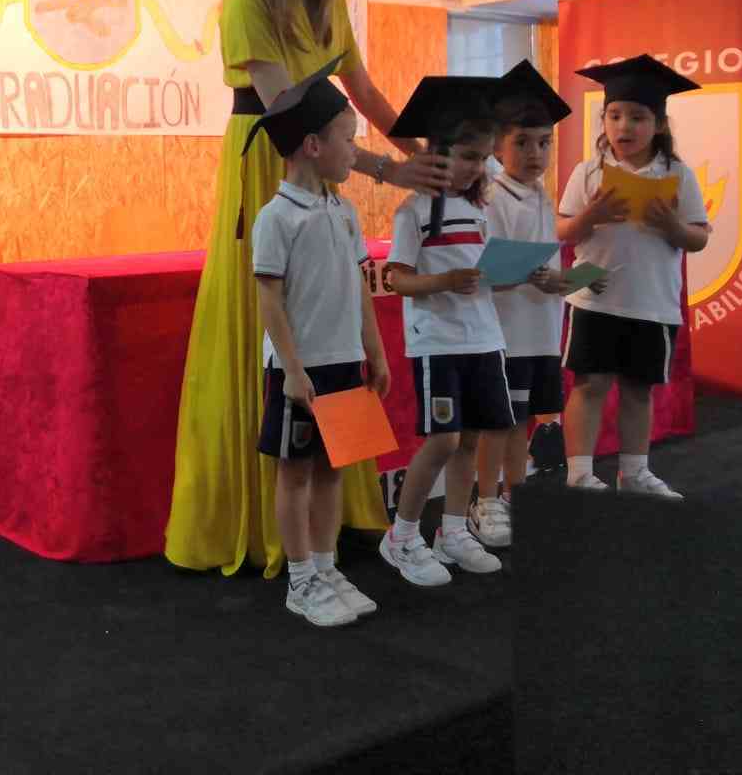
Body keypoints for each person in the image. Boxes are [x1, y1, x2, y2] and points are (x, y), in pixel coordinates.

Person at [164, 0, 451, 578]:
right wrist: (384, 168)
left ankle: (328, 520)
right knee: (274, 318)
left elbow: (365, 92)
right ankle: (278, 533)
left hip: (323, 163)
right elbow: (288, 115)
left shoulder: (329, 2)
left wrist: (424, 160)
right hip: (274, 163)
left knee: (331, 310)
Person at [248, 61, 391, 626]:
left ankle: (328, 568)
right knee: (296, 472)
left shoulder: (344, 210)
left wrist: (375, 353)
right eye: (348, 140)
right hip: (301, 371)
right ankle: (301, 577)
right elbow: (269, 299)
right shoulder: (276, 218)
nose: (355, 151)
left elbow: (359, 287)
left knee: (336, 468)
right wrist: (291, 369)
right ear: (313, 146)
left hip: (344, 364)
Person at [557, 55, 710, 499]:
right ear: (604, 121)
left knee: (638, 389)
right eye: (615, 115)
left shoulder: (678, 174)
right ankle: (579, 474)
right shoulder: (587, 172)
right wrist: (590, 216)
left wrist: (672, 226)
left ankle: (634, 472)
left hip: (652, 300)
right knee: (589, 384)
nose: (624, 126)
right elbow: (563, 230)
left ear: (658, 125)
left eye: (638, 117)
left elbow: (698, 238)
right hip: (594, 295)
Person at [379, 76, 509, 584]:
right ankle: (402, 535)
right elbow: (398, 279)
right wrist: (445, 281)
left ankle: (453, 531)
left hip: (484, 338)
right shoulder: (414, 211)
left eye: (483, 158)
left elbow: (488, 270)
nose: (477, 167)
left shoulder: (479, 209)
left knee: (470, 439)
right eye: (468, 156)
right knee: (443, 440)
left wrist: (517, 273)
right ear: (438, 154)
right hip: (438, 342)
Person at [481, 61, 587, 510]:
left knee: (527, 421)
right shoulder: (493, 197)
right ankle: (488, 498)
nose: (535, 153)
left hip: (542, 331)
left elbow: (547, 263)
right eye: (522, 142)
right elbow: (488, 273)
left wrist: (563, 281)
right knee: (504, 422)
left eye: (544, 143)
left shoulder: (542, 195)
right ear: (497, 146)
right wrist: (525, 273)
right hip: (508, 335)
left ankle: (514, 493)